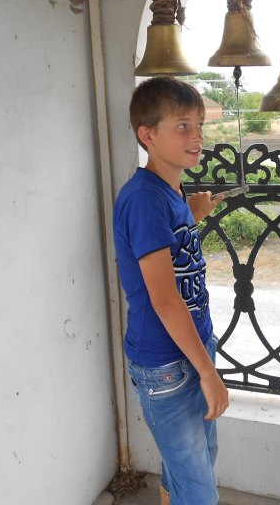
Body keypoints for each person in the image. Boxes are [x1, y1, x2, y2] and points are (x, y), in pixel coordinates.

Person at [113, 76, 229, 505]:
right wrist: (208, 372)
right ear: (148, 135)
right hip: (167, 364)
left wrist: (191, 214)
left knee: (196, 463)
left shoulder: (170, 190)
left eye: (199, 126)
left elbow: (168, 248)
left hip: (191, 348)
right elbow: (163, 298)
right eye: (183, 126)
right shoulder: (144, 198)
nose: (197, 137)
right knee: (198, 488)